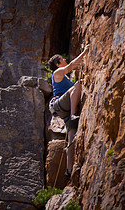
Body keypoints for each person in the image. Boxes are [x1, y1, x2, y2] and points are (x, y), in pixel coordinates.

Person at [47, 44, 89, 177]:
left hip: (62, 107)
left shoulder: (64, 77)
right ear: (58, 63)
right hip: (60, 104)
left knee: (71, 134)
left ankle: (69, 169)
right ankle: (72, 115)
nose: (64, 60)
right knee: (77, 86)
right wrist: (85, 52)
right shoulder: (57, 73)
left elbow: (73, 66)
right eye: (62, 60)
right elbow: (71, 65)